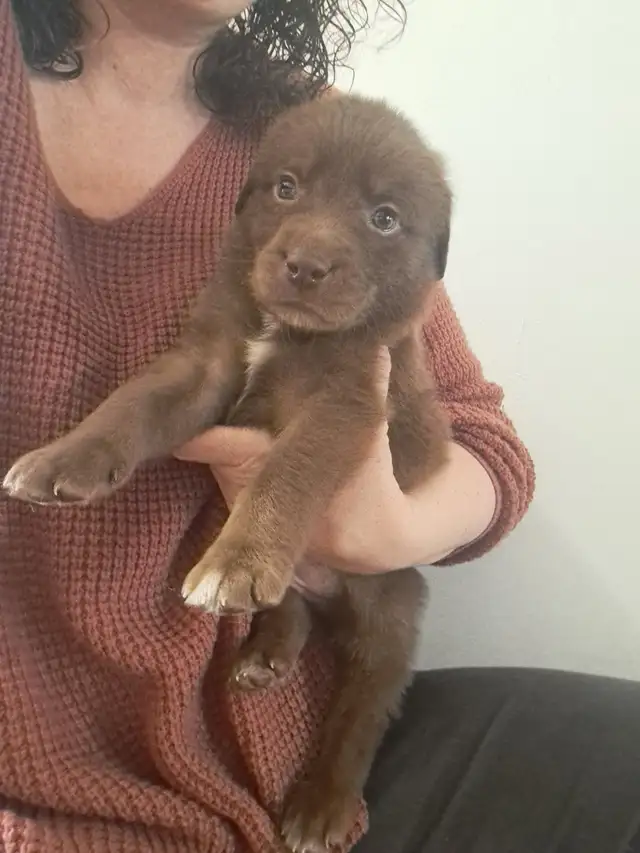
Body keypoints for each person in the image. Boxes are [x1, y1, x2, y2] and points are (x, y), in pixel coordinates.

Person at [1, 2, 638, 853]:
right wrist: (102, 447)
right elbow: (192, 374)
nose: (310, 244)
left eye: (378, 219)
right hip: (64, 789)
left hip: (272, 739)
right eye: (288, 190)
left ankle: (327, 762)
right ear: (252, 198)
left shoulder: (302, 118)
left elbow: (485, 446)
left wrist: (384, 530)